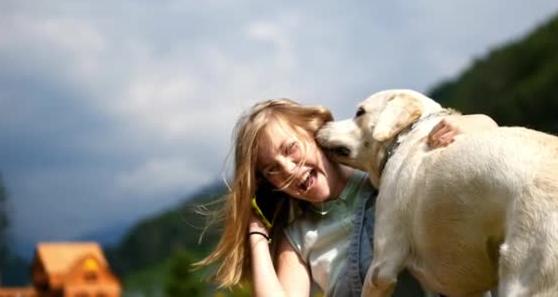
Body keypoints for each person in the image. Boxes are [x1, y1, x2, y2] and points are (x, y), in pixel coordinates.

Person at [195, 98, 498, 296]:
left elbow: (488, 136)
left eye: (290, 150)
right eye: (273, 170)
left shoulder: (386, 175)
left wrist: (472, 123)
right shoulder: (299, 236)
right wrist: (256, 235)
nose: (289, 168)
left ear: (316, 131)